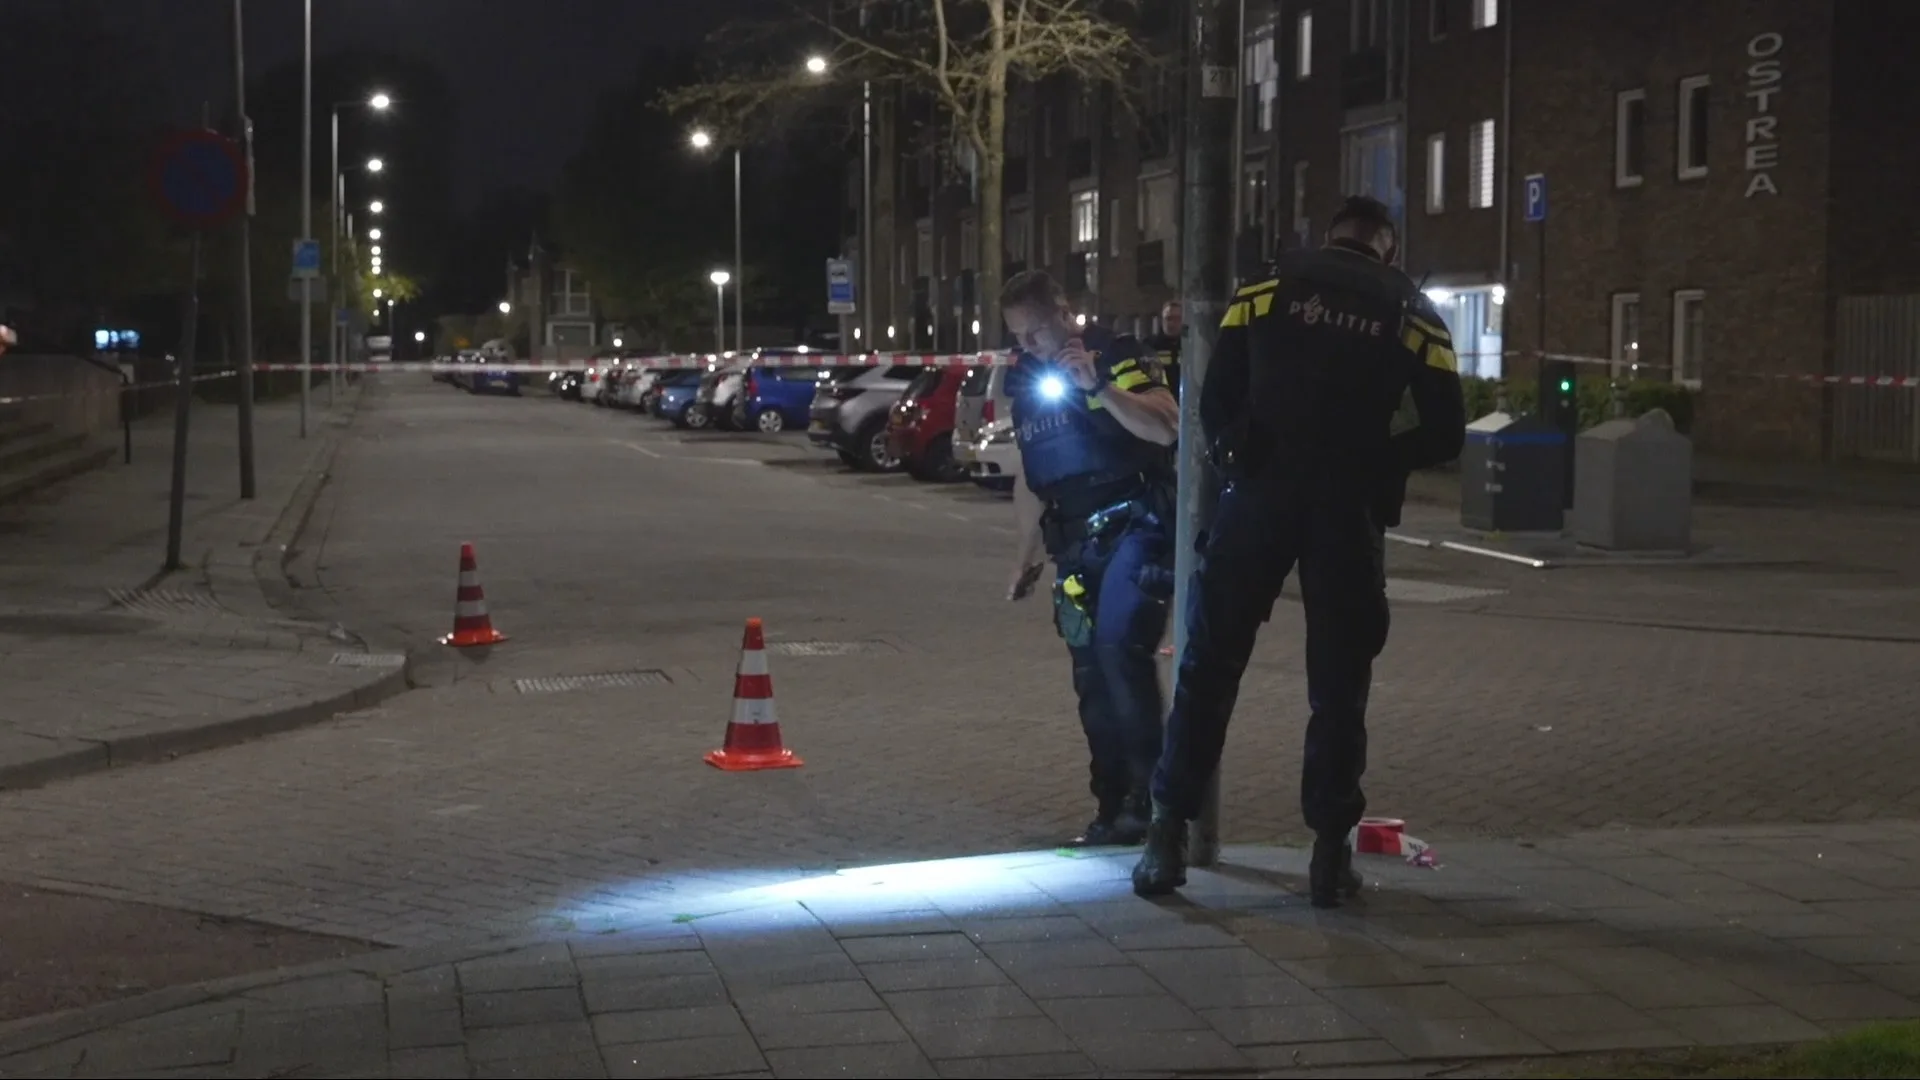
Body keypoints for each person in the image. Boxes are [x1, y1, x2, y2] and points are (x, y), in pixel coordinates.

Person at [1132, 195, 1467, 906]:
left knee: (1209, 666)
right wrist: (1378, 459)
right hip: (1346, 511)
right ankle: (1327, 857)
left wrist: (1242, 455)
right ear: (1389, 246)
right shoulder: (1411, 310)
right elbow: (1446, 431)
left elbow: (1215, 395)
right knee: (1339, 686)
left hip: (1258, 500)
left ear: (1331, 234)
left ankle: (1165, 836)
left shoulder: (1266, 286)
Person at [1001, 270, 1181, 847]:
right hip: (1074, 545)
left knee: (1119, 651)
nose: (1028, 345)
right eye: (1017, 336)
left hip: (1136, 528)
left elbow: (1166, 426)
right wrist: (1025, 557)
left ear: (1063, 312)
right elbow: (1033, 476)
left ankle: (1154, 806)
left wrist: (1099, 387)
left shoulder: (1118, 355)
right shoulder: (1027, 378)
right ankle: (1111, 805)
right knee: (1090, 677)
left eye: (1035, 331)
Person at [1143, 300, 1183, 398]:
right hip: (1159, 399)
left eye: (1177, 319)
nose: (1172, 323)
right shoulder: (1149, 345)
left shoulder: (1191, 346)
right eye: (1169, 319)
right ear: (1162, 320)